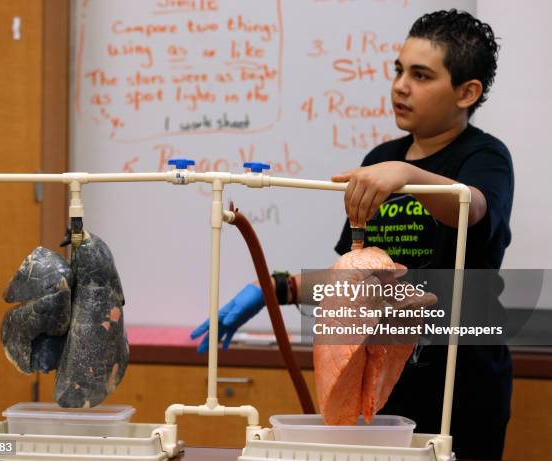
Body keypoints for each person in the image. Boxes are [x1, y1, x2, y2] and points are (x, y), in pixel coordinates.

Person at [191, 9, 513, 460]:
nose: (401, 85)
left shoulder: (484, 157)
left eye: (421, 75)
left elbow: (474, 207)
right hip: (380, 379)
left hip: (459, 386)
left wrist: (407, 174)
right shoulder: (381, 157)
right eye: (399, 70)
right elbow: (355, 280)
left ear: (467, 92)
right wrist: (276, 289)